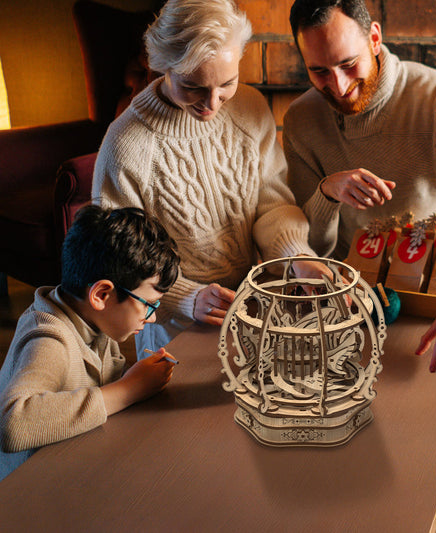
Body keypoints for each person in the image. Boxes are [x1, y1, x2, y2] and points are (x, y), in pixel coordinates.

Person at [284, 0, 436, 425]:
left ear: (375, 39)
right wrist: (328, 192)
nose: (339, 86)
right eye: (319, 71)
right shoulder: (301, 119)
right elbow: (315, 248)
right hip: (358, 283)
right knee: (376, 420)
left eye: (348, 64)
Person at [92, 0, 327, 358]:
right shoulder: (125, 145)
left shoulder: (250, 108)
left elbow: (273, 204)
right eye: (193, 87)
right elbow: (117, 258)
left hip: (258, 306)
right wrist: (188, 297)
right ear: (164, 66)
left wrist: (295, 254)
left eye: (227, 84)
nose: (212, 104)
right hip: (175, 328)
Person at [0, 205, 180, 481]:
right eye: (148, 304)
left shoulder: (95, 320)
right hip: (30, 494)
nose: (152, 318)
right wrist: (129, 388)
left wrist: (135, 376)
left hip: (79, 464)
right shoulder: (48, 340)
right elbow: (12, 424)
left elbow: (105, 380)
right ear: (102, 294)